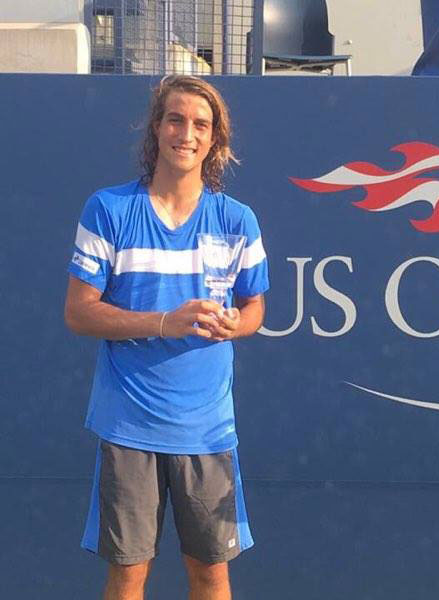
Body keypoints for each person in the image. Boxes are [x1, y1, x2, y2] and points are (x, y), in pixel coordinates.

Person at [64, 75, 269, 600]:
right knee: (129, 575)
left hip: (208, 430)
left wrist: (235, 326)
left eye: (201, 124)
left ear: (215, 140)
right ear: (156, 128)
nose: (187, 133)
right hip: (129, 426)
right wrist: (163, 322)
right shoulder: (108, 210)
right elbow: (79, 313)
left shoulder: (237, 220)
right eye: (176, 119)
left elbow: (254, 309)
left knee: (211, 575)